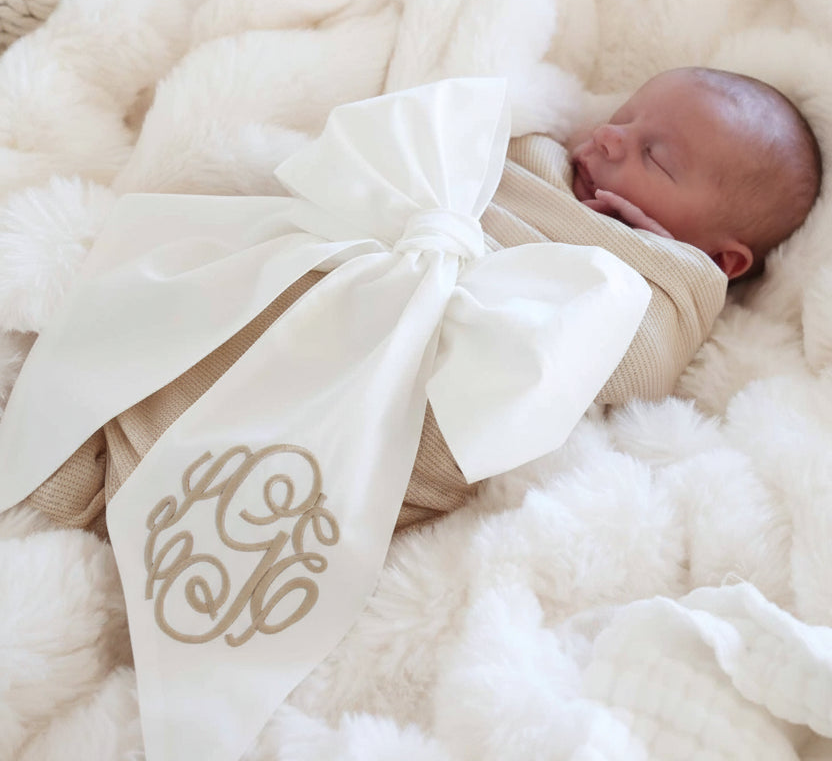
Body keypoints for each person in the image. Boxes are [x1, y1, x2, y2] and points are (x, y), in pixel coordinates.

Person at [18, 66, 823, 535]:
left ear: (723, 258)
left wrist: (632, 257)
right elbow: (441, 166)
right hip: (358, 290)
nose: (610, 139)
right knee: (206, 348)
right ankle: (78, 449)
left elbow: (618, 368)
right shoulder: (538, 163)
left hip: (412, 396)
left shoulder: (663, 291)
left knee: (275, 481)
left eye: (656, 156)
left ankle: (129, 505)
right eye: (624, 118)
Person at [567, 66, 822, 281]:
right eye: (621, 120)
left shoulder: (674, 309)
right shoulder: (552, 153)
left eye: (654, 157)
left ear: (718, 261)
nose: (605, 135)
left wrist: (656, 261)